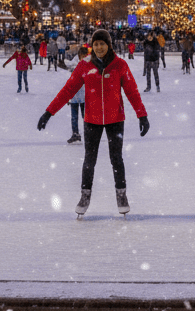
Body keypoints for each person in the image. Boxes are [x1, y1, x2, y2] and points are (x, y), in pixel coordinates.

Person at [39, 30, 148, 216]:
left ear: (109, 45)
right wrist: (49, 112)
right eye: (96, 44)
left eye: (102, 44)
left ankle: (121, 195)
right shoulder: (85, 65)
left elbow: (132, 91)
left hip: (115, 119)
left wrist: (142, 115)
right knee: (90, 159)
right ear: (92, 46)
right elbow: (67, 90)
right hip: (92, 120)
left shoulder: (119, 65)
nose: (99, 48)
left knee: (116, 159)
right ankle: (85, 196)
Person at [65, 46, 89, 144]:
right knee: (74, 117)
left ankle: (88, 134)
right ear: (80, 55)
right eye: (84, 56)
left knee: (86, 117)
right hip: (75, 95)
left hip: (84, 95)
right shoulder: (73, 65)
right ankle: (75, 133)